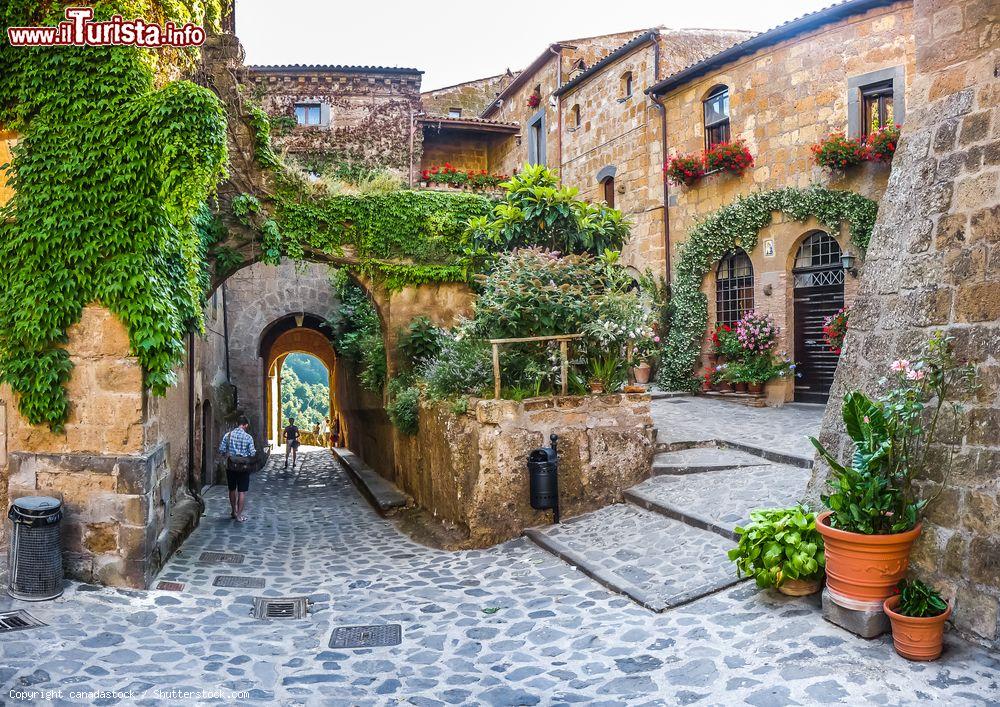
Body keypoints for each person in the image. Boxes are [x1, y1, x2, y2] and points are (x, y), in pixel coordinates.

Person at [219, 416, 256, 522]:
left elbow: (221, 450)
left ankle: (233, 511)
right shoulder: (248, 437)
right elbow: (252, 453)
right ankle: (239, 515)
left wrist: (229, 454)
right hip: (243, 467)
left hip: (231, 466)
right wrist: (246, 454)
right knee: (242, 491)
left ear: (238, 423)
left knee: (232, 489)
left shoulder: (228, 435)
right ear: (246, 425)